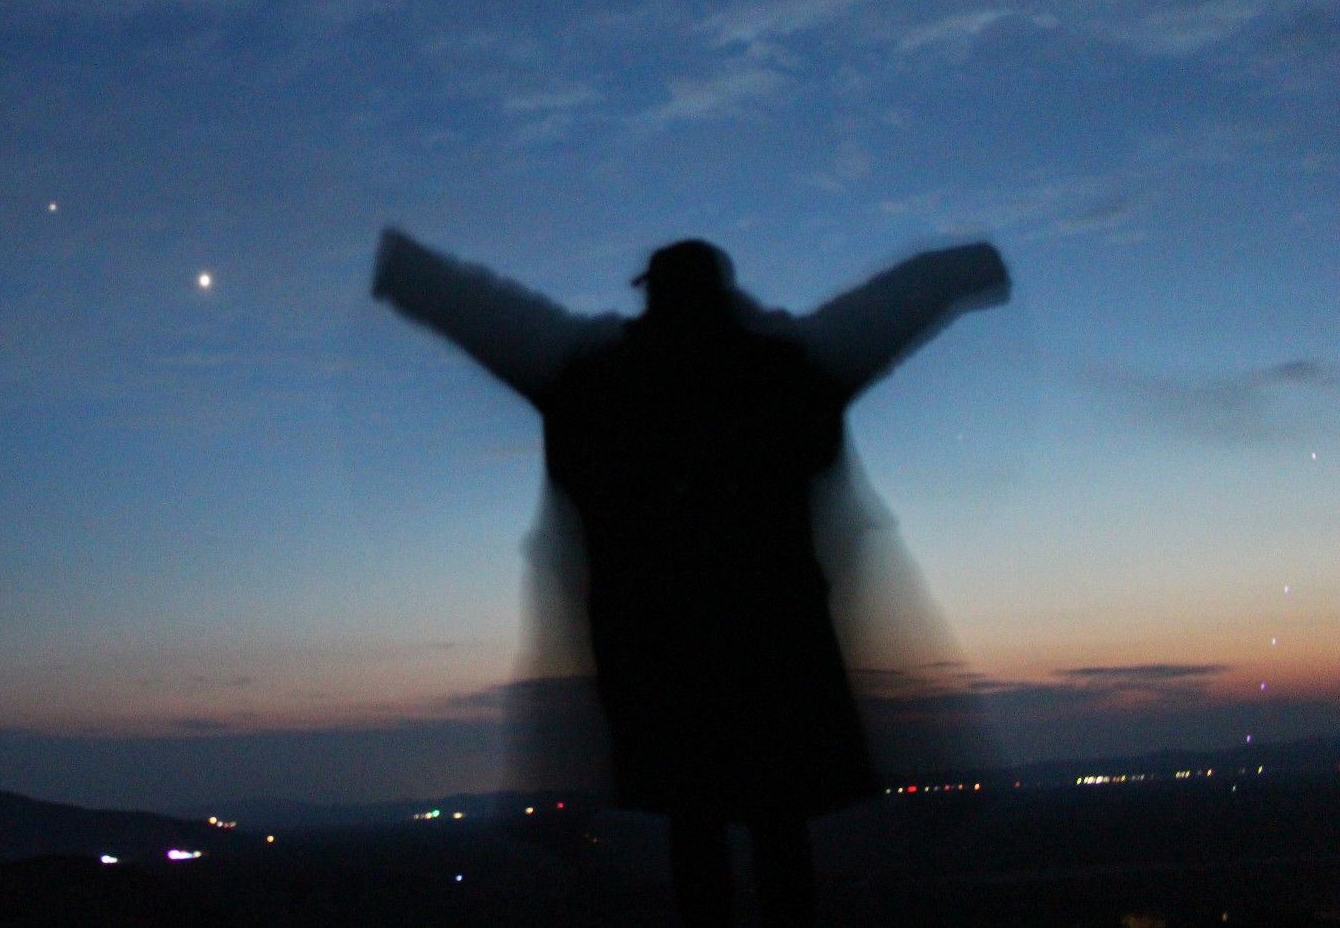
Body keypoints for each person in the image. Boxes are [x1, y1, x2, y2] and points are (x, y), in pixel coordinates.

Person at [370, 228, 1010, 926]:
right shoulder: (786, 370)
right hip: (777, 648)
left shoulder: (595, 378)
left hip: (658, 655)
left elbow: (488, 313)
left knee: (695, 824)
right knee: (777, 823)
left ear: (655, 295)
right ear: (723, 293)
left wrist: (406, 271)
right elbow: (885, 308)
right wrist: (968, 267)